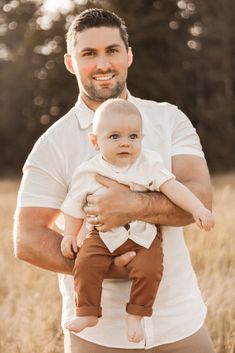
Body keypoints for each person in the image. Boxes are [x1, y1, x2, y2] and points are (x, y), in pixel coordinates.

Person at [14, 8, 215, 353]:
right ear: (70, 62)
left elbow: (199, 198)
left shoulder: (169, 120)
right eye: (89, 53)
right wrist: (106, 268)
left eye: (112, 50)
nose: (103, 63)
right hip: (98, 336)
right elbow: (28, 239)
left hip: (179, 322)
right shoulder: (52, 145)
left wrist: (133, 205)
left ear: (128, 56)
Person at [60, 98, 214, 343]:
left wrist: (197, 208)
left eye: (133, 137)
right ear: (95, 142)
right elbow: (73, 206)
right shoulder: (88, 171)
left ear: (142, 138)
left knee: (150, 270)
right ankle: (87, 311)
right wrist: (70, 234)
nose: (125, 143)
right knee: (85, 264)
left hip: (144, 235)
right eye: (114, 137)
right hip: (102, 235)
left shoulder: (149, 164)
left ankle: (136, 314)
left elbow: (172, 187)